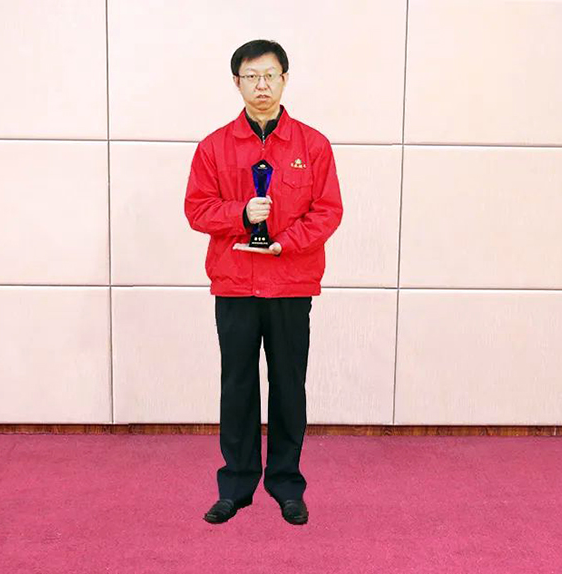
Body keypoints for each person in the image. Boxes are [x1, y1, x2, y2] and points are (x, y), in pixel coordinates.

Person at [184, 39, 343, 525]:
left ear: (285, 79)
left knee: (288, 387)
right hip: (235, 284)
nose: (261, 85)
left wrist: (285, 243)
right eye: (251, 77)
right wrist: (240, 214)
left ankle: (287, 485)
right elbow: (196, 209)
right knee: (237, 388)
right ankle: (235, 487)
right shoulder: (213, 146)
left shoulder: (312, 145)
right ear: (237, 83)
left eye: (270, 75)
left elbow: (328, 211)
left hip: (290, 283)